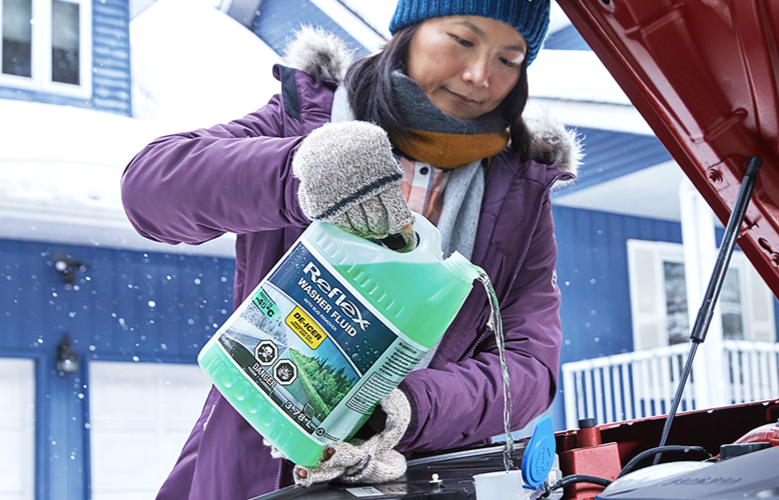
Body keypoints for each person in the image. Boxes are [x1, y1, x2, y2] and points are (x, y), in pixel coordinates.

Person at [120, 1, 581, 498]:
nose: (478, 75)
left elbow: (528, 368)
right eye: (463, 40)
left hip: (416, 477)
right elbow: (149, 192)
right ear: (409, 31)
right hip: (253, 466)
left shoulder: (519, 193)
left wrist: (402, 409)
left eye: (508, 59)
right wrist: (298, 173)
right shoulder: (307, 118)